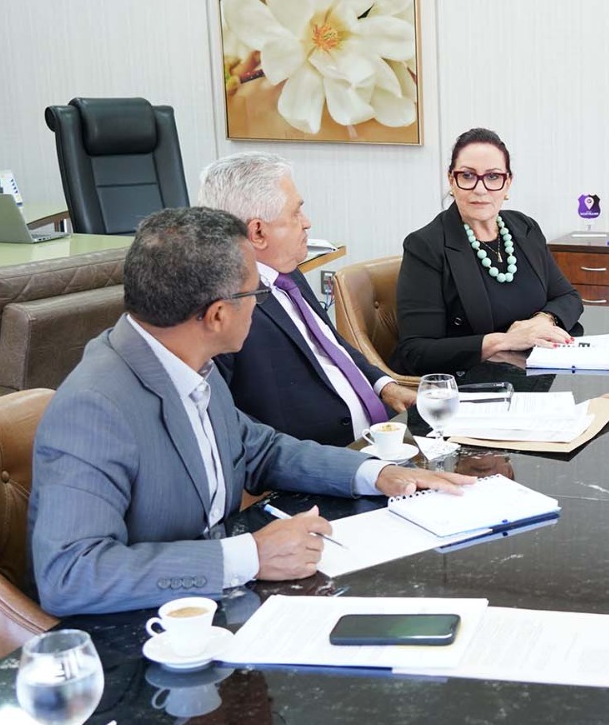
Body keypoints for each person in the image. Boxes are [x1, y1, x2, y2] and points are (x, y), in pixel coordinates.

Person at [29, 208, 473, 616]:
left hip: (221, 606)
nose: (262, 302)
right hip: (153, 635)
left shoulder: (187, 360)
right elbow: (70, 574)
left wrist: (376, 474)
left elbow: (260, 448)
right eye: (257, 292)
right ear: (218, 315)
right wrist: (250, 556)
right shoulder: (94, 408)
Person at [198, 152, 415, 447]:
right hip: (330, 454)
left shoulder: (286, 270)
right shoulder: (221, 306)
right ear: (258, 232)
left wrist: (384, 386)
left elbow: (331, 343)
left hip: (386, 434)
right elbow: (231, 427)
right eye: (296, 213)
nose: (307, 222)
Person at [393, 128, 583, 374]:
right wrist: (503, 341)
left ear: (508, 182)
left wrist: (541, 321)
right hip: (470, 382)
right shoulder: (425, 246)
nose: (480, 189)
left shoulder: (525, 228)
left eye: (493, 177)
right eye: (467, 175)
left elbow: (568, 297)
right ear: (451, 180)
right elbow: (415, 352)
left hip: (534, 371)